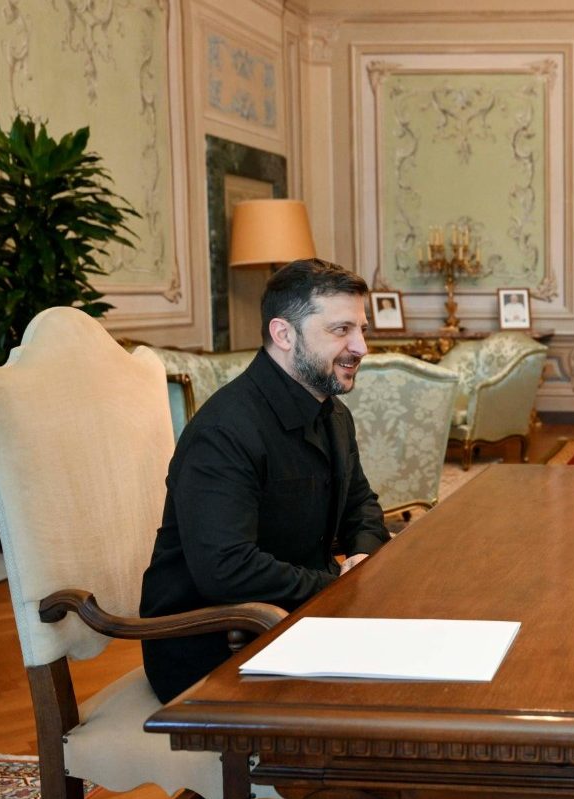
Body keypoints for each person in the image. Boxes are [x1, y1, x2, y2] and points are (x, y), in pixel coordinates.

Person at [140, 259, 391, 703]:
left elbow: (361, 506)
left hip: (294, 622)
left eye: (361, 329)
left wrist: (362, 557)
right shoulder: (225, 431)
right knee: (389, 697)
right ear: (283, 334)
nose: (361, 347)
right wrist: (337, 584)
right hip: (213, 648)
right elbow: (226, 569)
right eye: (341, 330)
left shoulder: (334, 414)